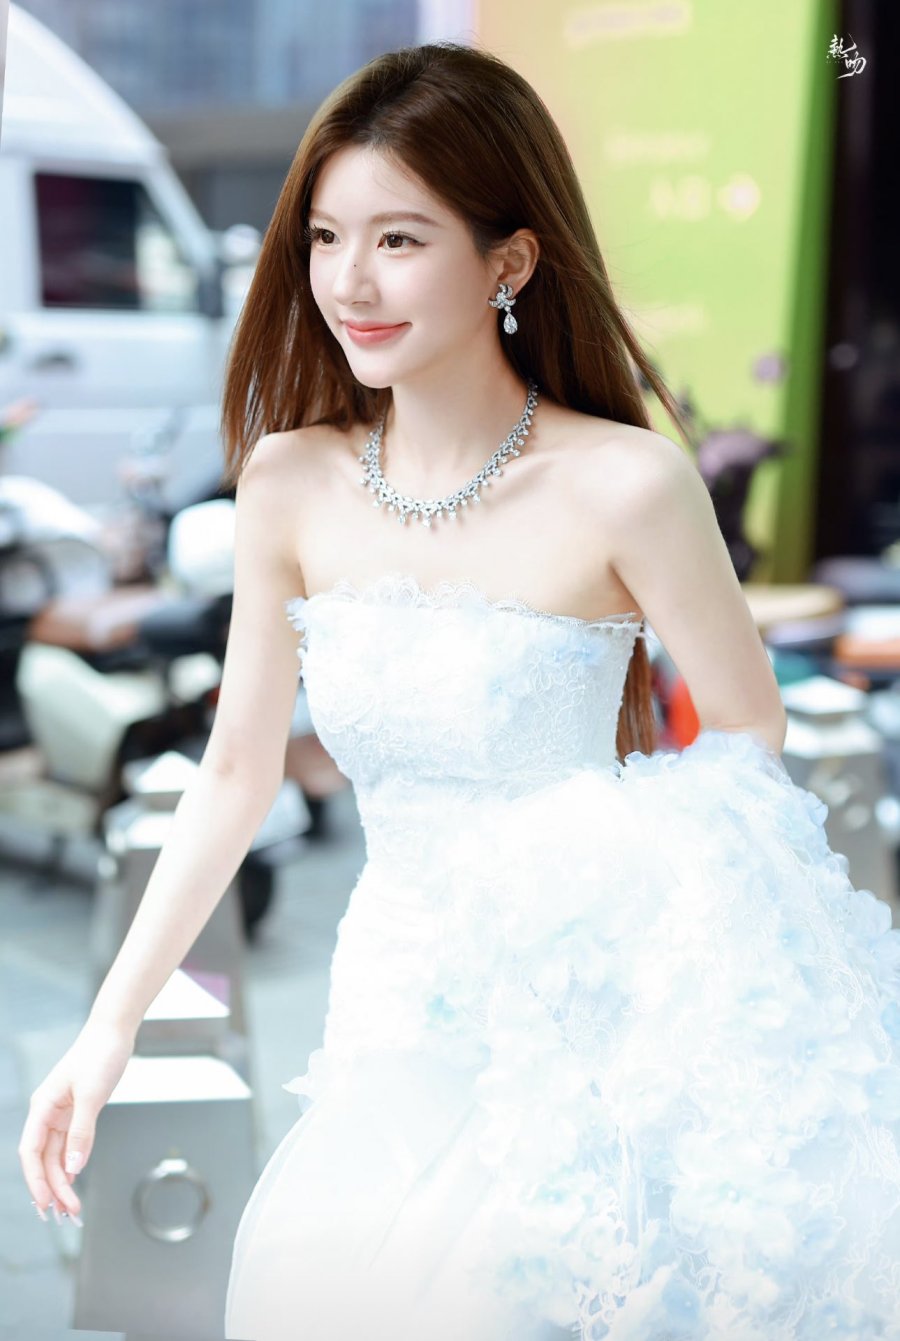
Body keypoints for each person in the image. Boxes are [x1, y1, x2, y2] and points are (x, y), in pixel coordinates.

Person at [18, 39, 900, 1341]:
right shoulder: (288, 482)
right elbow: (236, 773)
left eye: (400, 239)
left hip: (583, 1000)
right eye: (327, 238)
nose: (350, 282)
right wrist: (109, 1027)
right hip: (393, 997)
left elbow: (747, 735)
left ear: (509, 261)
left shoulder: (627, 484)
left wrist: (597, 885)